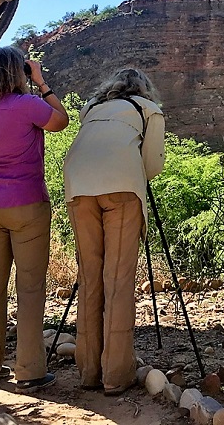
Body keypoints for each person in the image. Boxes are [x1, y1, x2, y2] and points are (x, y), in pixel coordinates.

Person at [0, 46, 69, 390]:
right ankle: (29, 370)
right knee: (30, 286)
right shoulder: (27, 105)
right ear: (18, 72)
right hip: (26, 203)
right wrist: (41, 82)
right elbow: (61, 122)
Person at [63, 67, 165, 396]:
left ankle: (89, 372)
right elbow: (152, 165)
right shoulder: (149, 109)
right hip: (122, 189)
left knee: (91, 276)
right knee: (118, 280)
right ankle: (116, 374)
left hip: (77, 187)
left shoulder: (91, 107)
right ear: (144, 88)